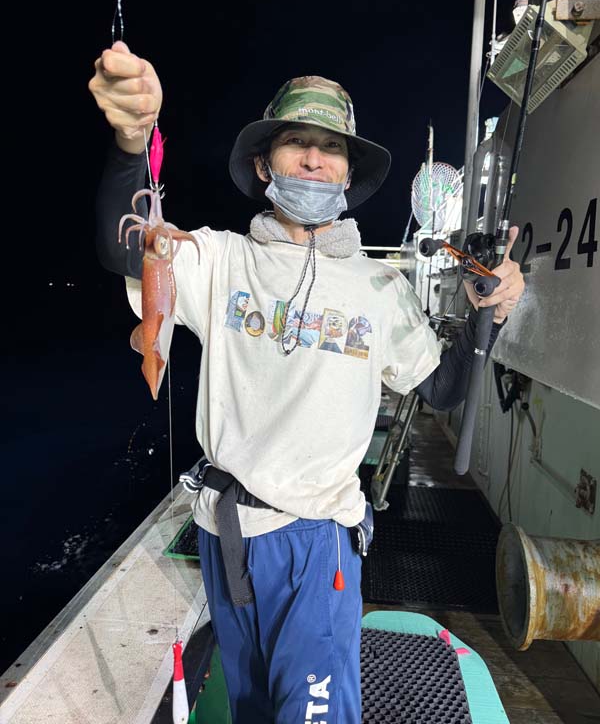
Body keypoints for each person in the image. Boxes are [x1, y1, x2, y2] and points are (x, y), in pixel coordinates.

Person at [89, 41, 525, 723]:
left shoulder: (380, 288)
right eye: (296, 142)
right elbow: (126, 247)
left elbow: (441, 389)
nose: (315, 159)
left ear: (349, 173)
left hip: (316, 540)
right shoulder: (219, 258)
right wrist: (130, 144)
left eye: (332, 147)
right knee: (254, 708)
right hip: (223, 533)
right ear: (264, 164)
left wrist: (486, 318)